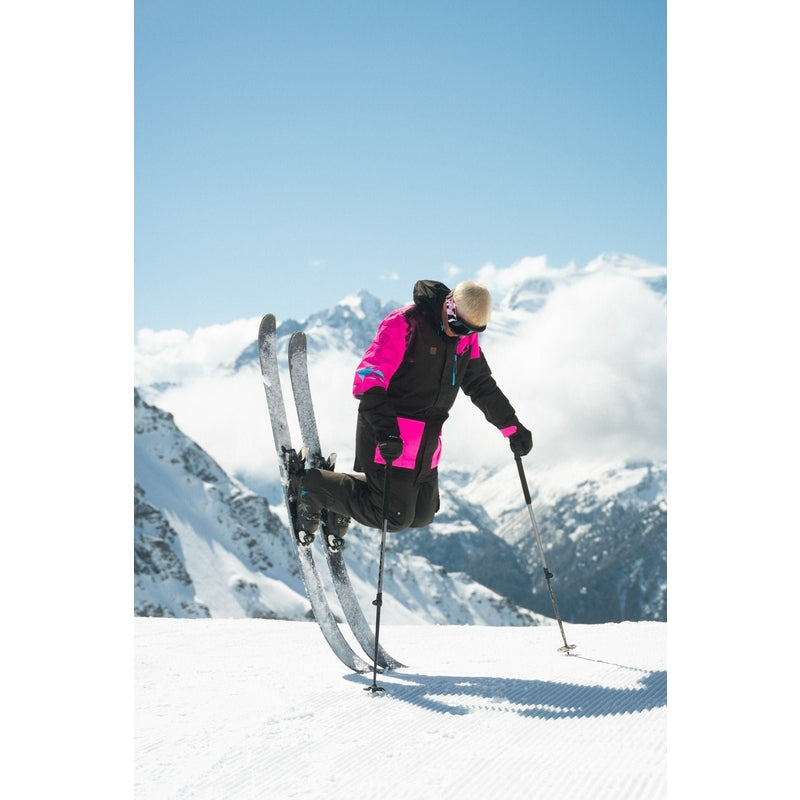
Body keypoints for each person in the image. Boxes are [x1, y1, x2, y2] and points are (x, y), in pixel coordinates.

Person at [294, 279, 533, 550]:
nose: (462, 334)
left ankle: (338, 498)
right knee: (392, 516)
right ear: (449, 306)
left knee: (422, 514)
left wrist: (512, 427)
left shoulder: (466, 340)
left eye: (471, 330)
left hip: (426, 441)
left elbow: (481, 385)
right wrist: (386, 431)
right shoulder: (405, 324)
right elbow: (368, 379)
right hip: (388, 432)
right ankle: (309, 486)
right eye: (459, 326)